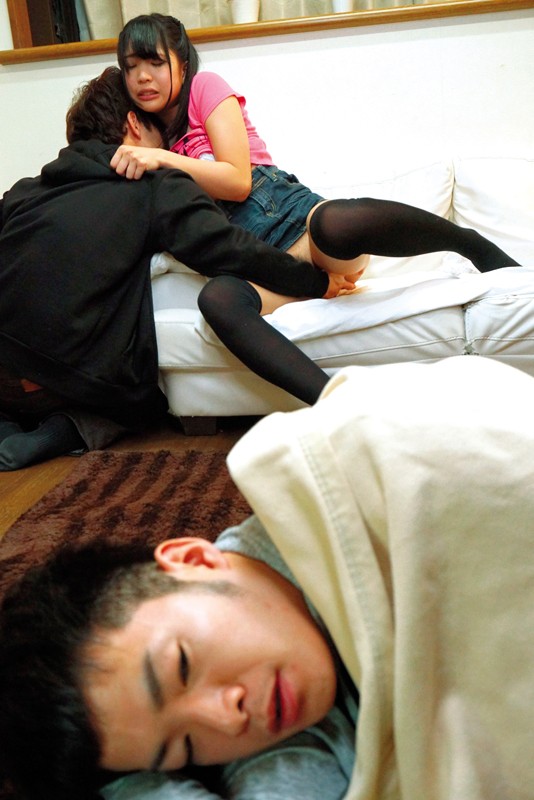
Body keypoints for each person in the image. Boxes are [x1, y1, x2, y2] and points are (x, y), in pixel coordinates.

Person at [1, 355, 533, 800]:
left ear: (193, 559)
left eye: (182, 666)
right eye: (185, 749)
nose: (227, 720)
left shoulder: (378, 459)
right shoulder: (279, 712)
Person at [112, 13, 521, 403]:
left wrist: (162, 158)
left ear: (182, 63)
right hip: (258, 266)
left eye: (155, 62)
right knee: (217, 300)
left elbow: (238, 181)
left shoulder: (204, 89)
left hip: (295, 225)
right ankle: (336, 404)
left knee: (334, 223)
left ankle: (470, 244)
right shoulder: (151, 138)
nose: (143, 76)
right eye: (131, 67)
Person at [0, 66, 356, 470]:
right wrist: (315, 281)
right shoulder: (156, 185)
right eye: (162, 131)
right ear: (134, 124)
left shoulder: (25, 191)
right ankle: (65, 430)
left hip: (4, 372)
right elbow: (226, 249)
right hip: (61, 381)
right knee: (146, 399)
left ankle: (7, 422)